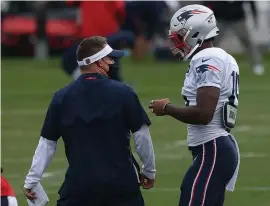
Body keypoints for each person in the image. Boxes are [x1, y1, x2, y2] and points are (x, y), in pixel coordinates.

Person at [23, 36, 156, 206]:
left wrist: (32, 179)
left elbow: (47, 143)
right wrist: (149, 171)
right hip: (121, 185)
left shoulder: (61, 97)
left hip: (78, 187)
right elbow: (142, 136)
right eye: (108, 58)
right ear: (99, 62)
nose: (111, 62)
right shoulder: (124, 93)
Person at [149, 4, 240, 206]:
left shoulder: (206, 57)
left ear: (196, 32)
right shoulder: (222, 56)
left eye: (180, 37)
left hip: (213, 148)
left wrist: (167, 109)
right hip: (216, 148)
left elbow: (204, 114)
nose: (177, 43)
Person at [203, 1, 264, 75]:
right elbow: (207, 2)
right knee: (212, 43)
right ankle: (205, 65)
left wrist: (255, 17)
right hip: (220, 19)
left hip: (238, 19)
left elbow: (251, 2)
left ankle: (257, 64)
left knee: (248, 42)